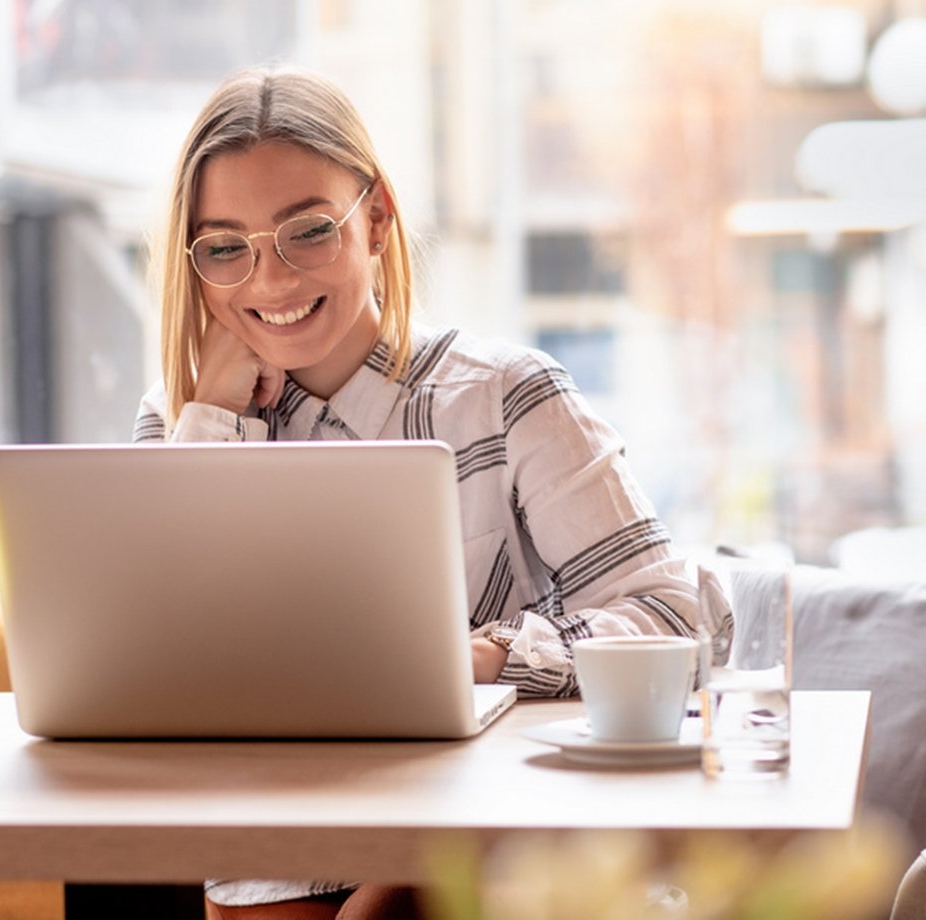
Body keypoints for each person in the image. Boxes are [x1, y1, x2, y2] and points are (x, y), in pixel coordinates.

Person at [133, 64, 714, 920]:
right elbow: (154, 672)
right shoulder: (180, 421)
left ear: (376, 219)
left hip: (486, 848)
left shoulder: (504, 394)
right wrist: (215, 411)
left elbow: (679, 621)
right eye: (227, 247)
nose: (272, 281)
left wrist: (486, 659)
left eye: (307, 231)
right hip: (274, 859)